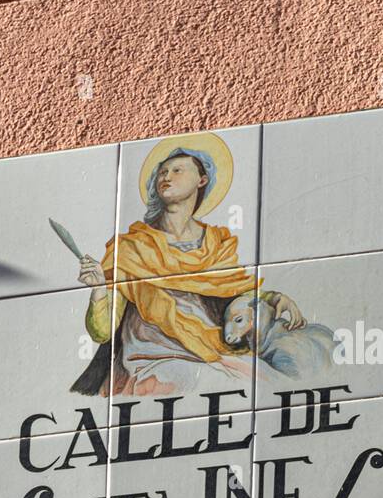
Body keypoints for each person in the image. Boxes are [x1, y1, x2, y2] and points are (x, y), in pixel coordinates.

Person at [71, 139, 304, 397]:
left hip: (210, 350)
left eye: (176, 170)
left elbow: (232, 296)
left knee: (268, 380)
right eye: (162, 172)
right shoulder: (131, 248)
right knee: (210, 384)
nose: (166, 177)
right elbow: (102, 331)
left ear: (201, 180)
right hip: (154, 358)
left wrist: (274, 299)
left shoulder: (216, 244)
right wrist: (98, 290)